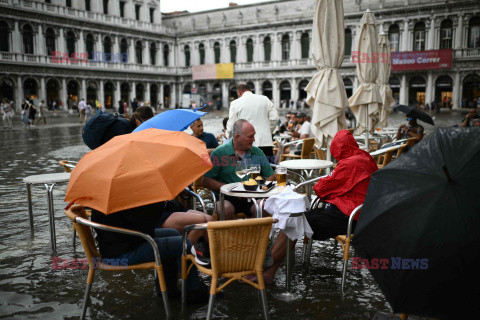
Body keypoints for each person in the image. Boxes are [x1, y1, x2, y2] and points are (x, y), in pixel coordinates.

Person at [257, 130, 378, 284]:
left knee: (295, 219)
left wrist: (332, 191)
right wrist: (334, 192)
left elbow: (320, 189)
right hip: (359, 215)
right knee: (299, 216)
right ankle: (270, 269)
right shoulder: (365, 157)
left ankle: (264, 265)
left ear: (338, 148)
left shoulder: (350, 163)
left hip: (349, 218)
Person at [90, 201, 210, 303]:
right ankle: (194, 291)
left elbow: (141, 228)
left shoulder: (108, 199)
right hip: (120, 255)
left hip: (116, 245)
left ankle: (168, 289)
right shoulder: (123, 201)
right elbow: (147, 226)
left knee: (172, 233)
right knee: (183, 244)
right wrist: (157, 204)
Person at [202, 120, 275, 220]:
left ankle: (253, 233)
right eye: (250, 136)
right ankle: (235, 234)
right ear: (237, 137)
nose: (254, 139)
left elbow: (271, 176)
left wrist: (257, 188)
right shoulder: (219, 153)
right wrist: (230, 188)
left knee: (264, 207)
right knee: (225, 209)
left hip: (253, 196)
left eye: (254, 136)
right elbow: (205, 181)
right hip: (227, 197)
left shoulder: (257, 152)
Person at [226, 83, 279, 163]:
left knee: (248, 173)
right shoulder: (265, 99)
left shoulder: (235, 103)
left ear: (239, 93)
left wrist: (227, 136)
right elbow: (274, 119)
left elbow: (231, 126)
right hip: (265, 143)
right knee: (268, 172)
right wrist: (268, 132)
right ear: (250, 90)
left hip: (245, 145)